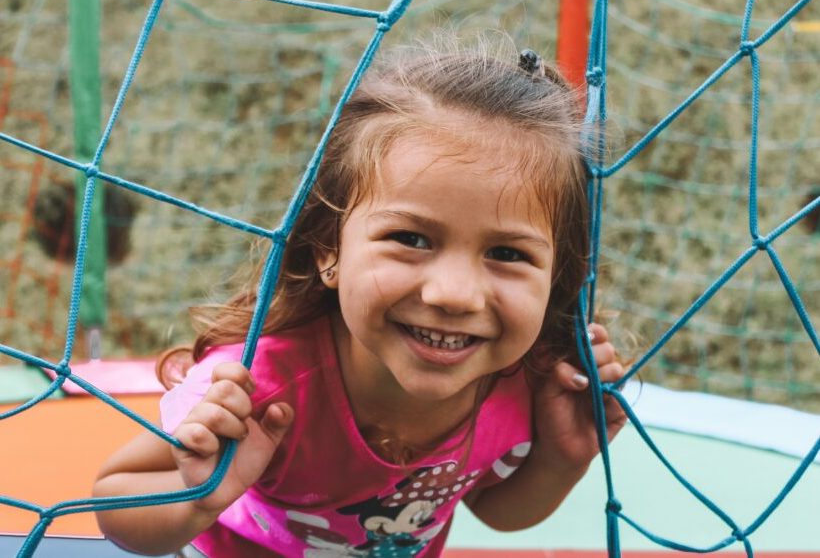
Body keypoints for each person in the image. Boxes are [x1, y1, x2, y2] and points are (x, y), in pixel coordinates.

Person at [93, 39, 626, 558]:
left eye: (507, 253)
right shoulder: (258, 386)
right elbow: (115, 501)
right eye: (411, 239)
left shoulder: (526, 379)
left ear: (556, 277)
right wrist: (198, 499)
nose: (454, 295)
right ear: (330, 250)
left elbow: (495, 511)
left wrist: (562, 457)